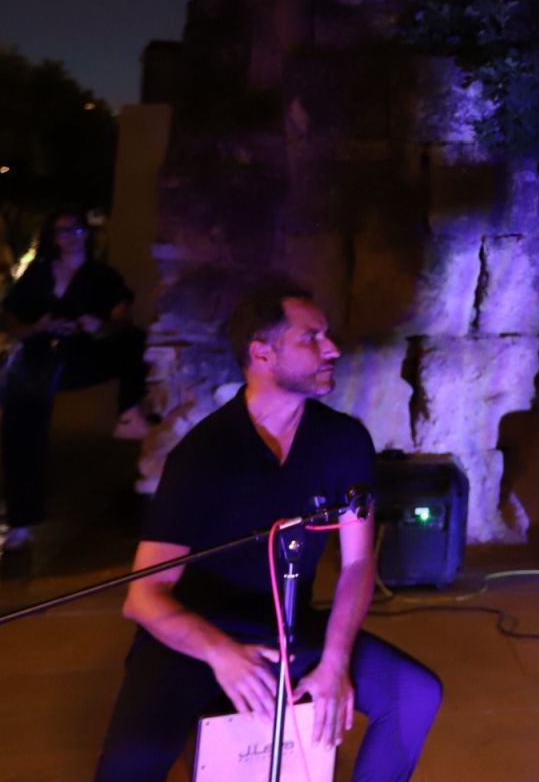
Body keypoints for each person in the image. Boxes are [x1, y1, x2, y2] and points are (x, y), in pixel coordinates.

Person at [94, 281, 440, 781]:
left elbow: (358, 562)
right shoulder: (203, 454)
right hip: (200, 632)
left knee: (414, 694)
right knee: (126, 767)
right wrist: (221, 654)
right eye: (311, 338)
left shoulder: (343, 441)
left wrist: (336, 661)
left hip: (289, 630)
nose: (333, 348)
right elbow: (144, 597)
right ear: (262, 352)